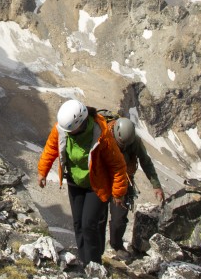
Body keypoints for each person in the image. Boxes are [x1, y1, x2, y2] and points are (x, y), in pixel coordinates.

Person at [37, 99, 128, 266]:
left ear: (81, 123)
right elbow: (51, 148)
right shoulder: (63, 128)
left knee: (88, 225)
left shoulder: (101, 134)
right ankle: (84, 261)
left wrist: (118, 193)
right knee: (78, 224)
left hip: (97, 185)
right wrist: (42, 171)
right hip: (75, 181)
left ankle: (94, 265)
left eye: (71, 130)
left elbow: (117, 165)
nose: (68, 133)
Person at [107, 116, 165, 253]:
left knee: (119, 219)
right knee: (97, 217)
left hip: (124, 182)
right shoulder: (104, 137)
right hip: (103, 181)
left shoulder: (135, 142)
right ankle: (94, 250)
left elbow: (146, 162)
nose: (124, 146)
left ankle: (116, 245)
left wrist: (156, 185)